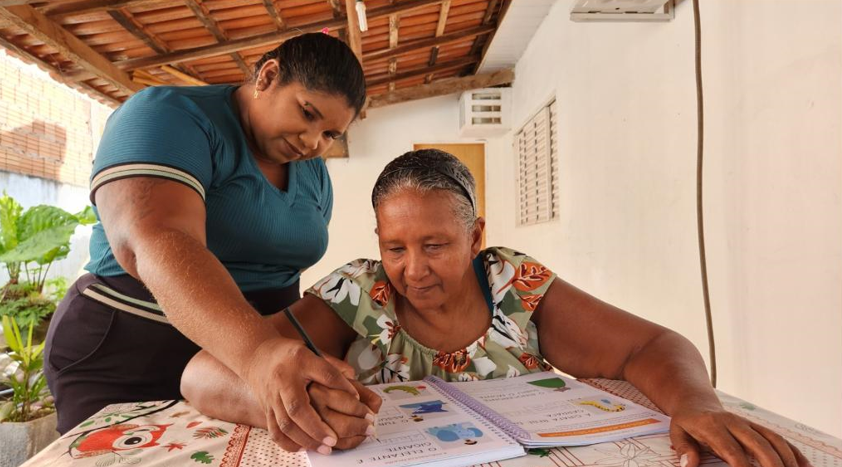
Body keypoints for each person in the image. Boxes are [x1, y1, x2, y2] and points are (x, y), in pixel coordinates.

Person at [182, 149, 811, 467]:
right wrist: (298, 408)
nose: (414, 269)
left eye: (436, 245)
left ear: (475, 237)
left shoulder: (513, 285)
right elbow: (201, 374)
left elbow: (649, 346)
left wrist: (695, 403)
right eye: (395, 247)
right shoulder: (357, 293)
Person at [43, 33, 372, 455]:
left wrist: (276, 361)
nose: (312, 142)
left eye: (330, 133)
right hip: (128, 356)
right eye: (306, 113)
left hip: (234, 372)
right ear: (268, 76)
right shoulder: (168, 116)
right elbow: (157, 239)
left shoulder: (313, 176)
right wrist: (260, 354)